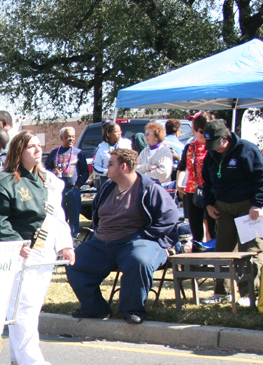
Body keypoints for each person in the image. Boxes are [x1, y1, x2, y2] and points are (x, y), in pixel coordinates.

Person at [0, 131, 75, 365]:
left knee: (31, 305)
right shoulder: (3, 183)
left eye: (39, 146)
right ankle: (29, 358)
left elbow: (58, 216)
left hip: (44, 250)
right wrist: (16, 242)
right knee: (23, 304)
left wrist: (65, 244)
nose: (38, 150)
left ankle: (18, 356)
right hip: (18, 251)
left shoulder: (50, 181)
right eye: (31, 146)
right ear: (18, 151)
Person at [66, 149, 178, 324]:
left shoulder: (149, 188)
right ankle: (94, 308)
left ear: (124, 166)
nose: (106, 168)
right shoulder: (107, 187)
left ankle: (132, 309)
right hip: (102, 242)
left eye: (111, 164)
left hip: (139, 241)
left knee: (138, 261)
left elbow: (169, 218)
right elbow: (97, 215)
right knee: (74, 262)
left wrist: (143, 236)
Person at [200, 119, 263, 306]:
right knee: (223, 251)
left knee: (250, 251)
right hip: (222, 208)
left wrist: (258, 203)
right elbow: (206, 183)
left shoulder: (247, 150)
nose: (215, 148)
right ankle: (222, 292)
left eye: (217, 144)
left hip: (248, 209)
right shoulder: (211, 155)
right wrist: (208, 204)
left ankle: (250, 294)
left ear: (226, 137)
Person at [176, 112, 215, 243]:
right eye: (199, 130)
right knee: (196, 231)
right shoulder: (190, 146)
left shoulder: (215, 147)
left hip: (211, 191)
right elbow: (181, 167)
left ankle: (214, 256)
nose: (201, 134)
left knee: (213, 228)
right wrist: (179, 184)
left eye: (204, 131)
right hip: (192, 191)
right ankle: (197, 260)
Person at [45, 127, 89, 237]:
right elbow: (46, 170)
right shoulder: (55, 153)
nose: (71, 139)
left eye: (73, 137)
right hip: (57, 191)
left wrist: (78, 186)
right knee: (59, 217)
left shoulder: (79, 153)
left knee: (74, 217)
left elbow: (85, 172)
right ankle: (60, 239)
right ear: (61, 138)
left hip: (73, 190)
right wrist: (52, 171)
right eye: (68, 136)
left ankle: (74, 239)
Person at [92, 122, 132, 187]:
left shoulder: (126, 144)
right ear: (109, 133)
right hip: (107, 180)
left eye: (120, 131)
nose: (120, 133)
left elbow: (131, 162)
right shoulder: (101, 147)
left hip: (123, 178)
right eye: (116, 132)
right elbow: (96, 166)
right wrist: (106, 172)